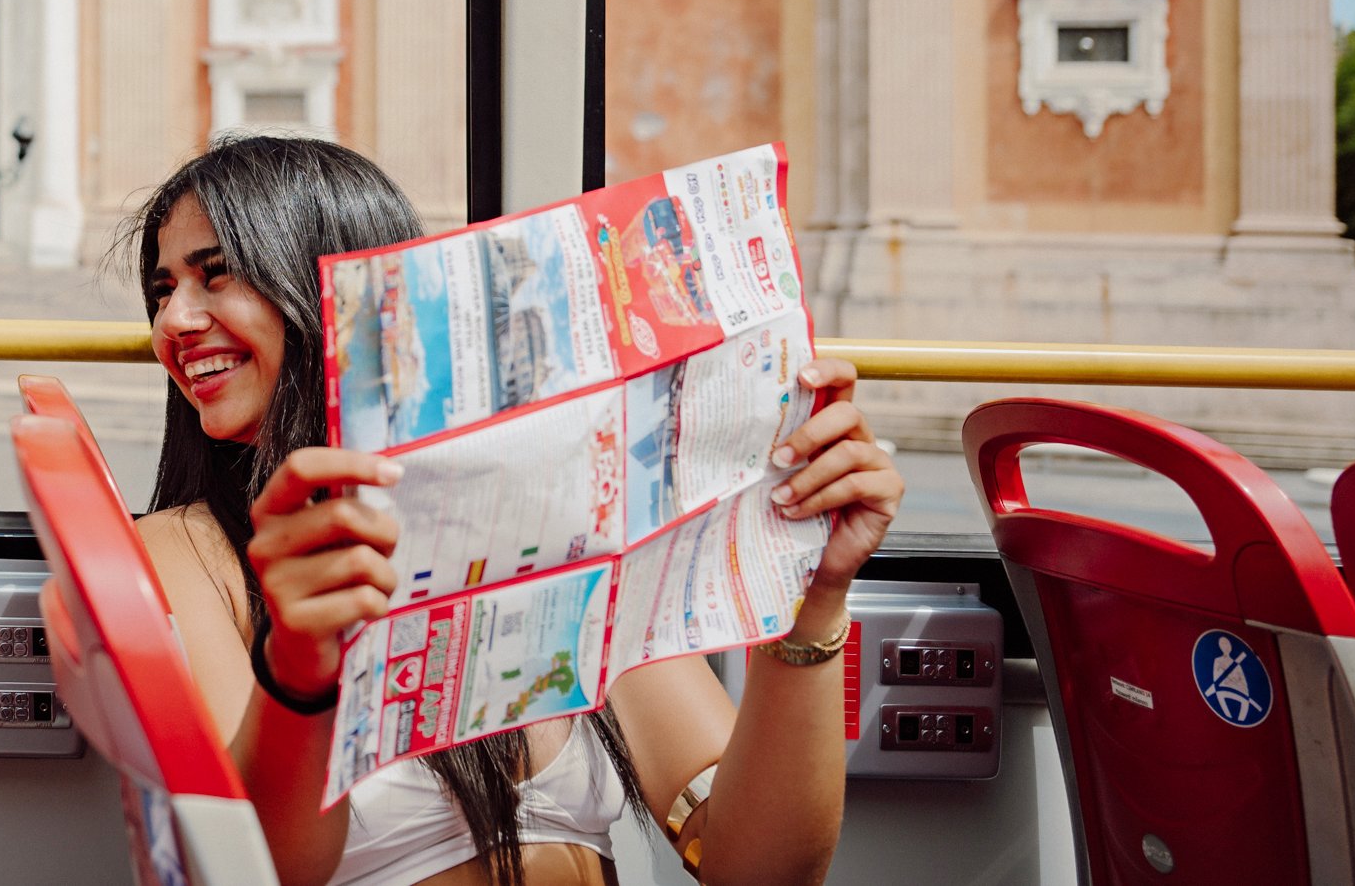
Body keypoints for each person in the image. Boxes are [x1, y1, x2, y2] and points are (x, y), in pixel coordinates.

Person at [129, 136, 904, 886]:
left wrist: (810, 604)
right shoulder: (186, 554)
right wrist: (302, 666)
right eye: (163, 290)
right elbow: (262, 869)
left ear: (330, 289)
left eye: (217, 274)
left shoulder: (566, 513)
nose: (173, 322)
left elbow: (756, 868)